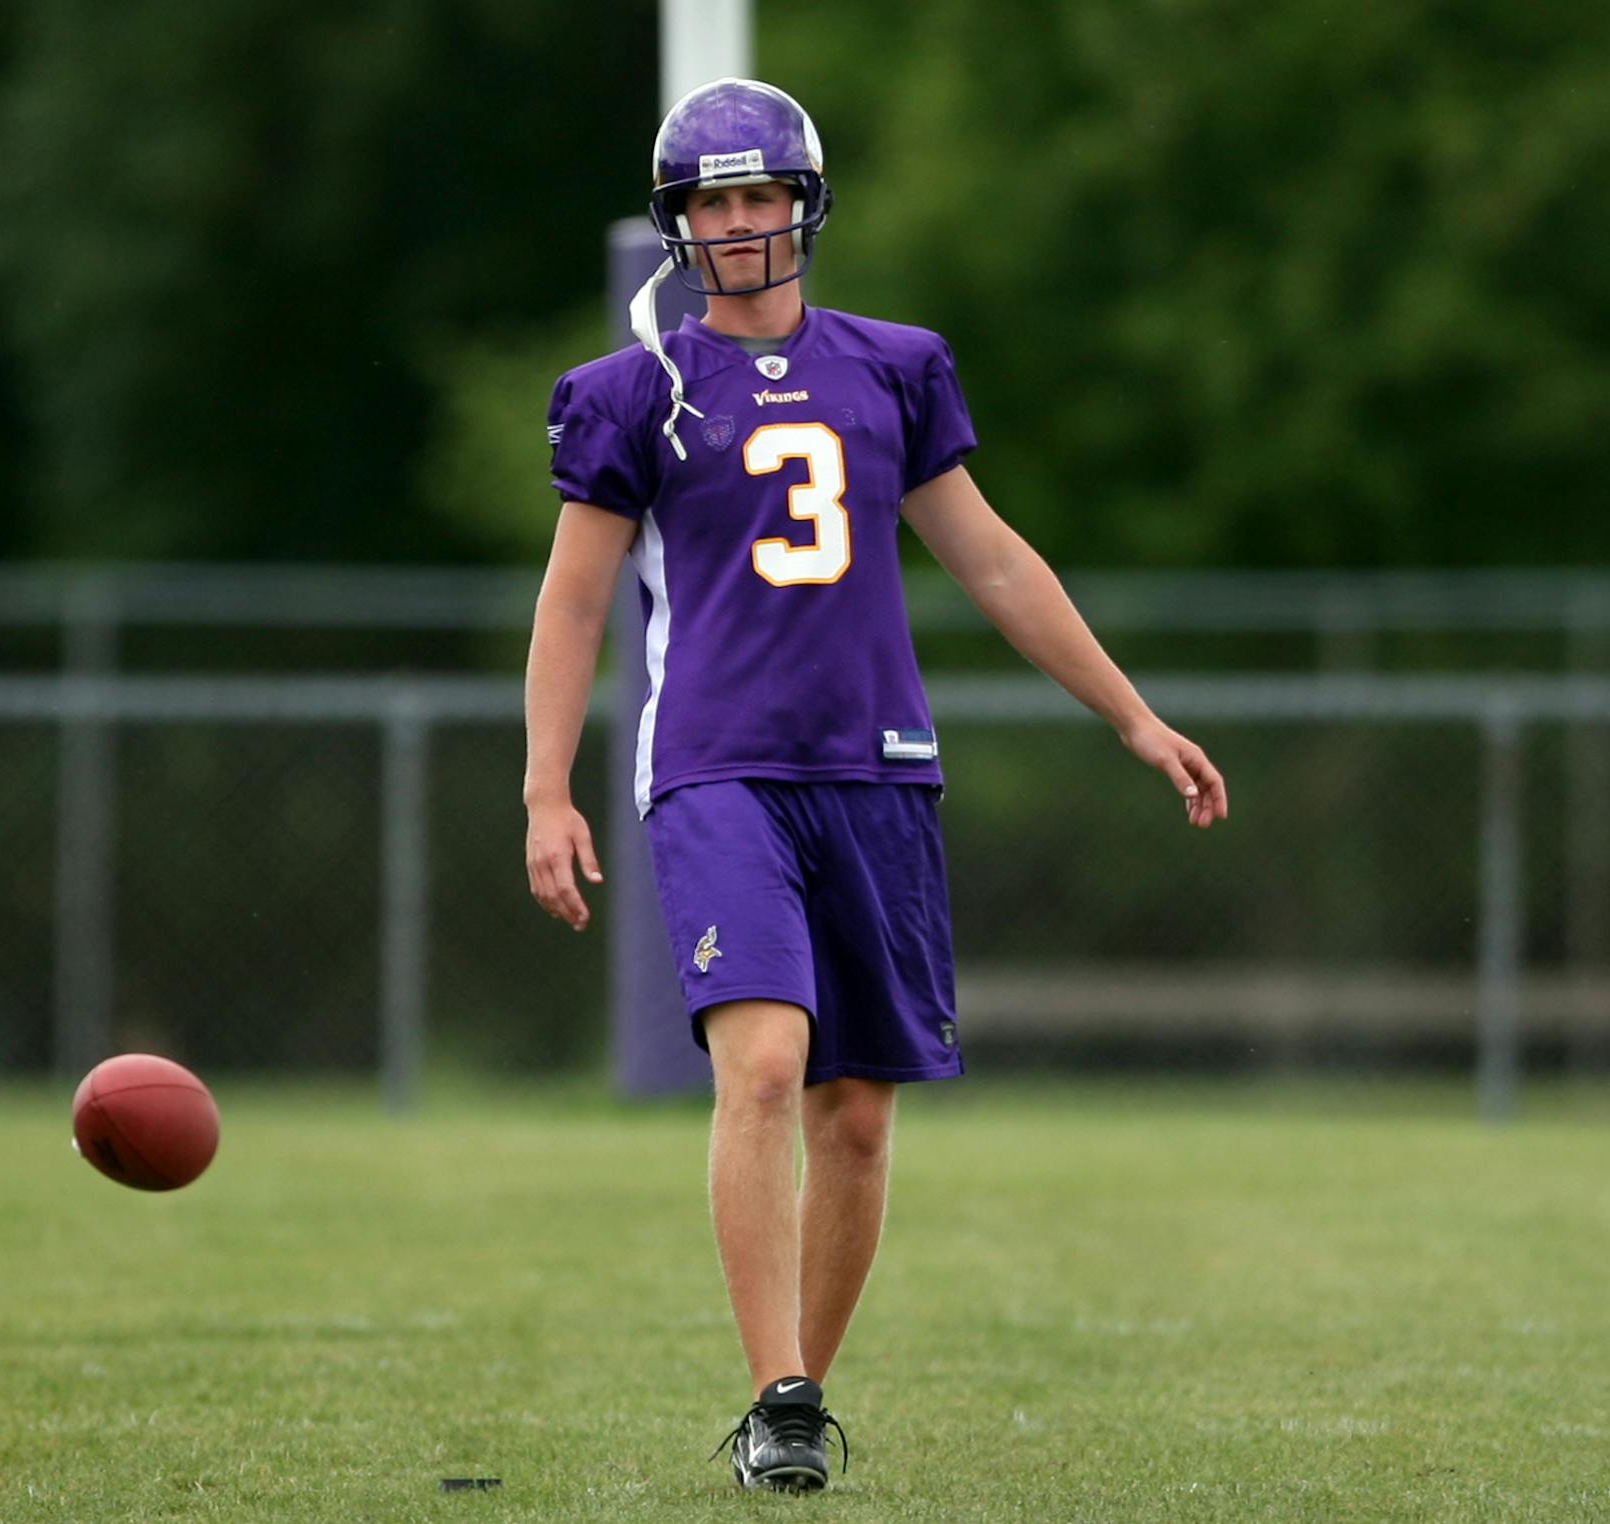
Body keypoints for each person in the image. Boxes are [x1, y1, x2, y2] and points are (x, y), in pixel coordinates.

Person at [521, 77, 1229, 1492]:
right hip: (720, 764)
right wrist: (547, 788)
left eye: (760, 193)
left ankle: (800, 1402)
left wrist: (1134, 717)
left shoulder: (895, 366)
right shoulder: (636, 390)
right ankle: (775, 1388)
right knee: (767, 1063)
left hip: (877, 766)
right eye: (712, 200)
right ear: (681, 223)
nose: (740, 221)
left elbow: (994, 561)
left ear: (805, 202)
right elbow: (574, 605)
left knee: (858, 1107)